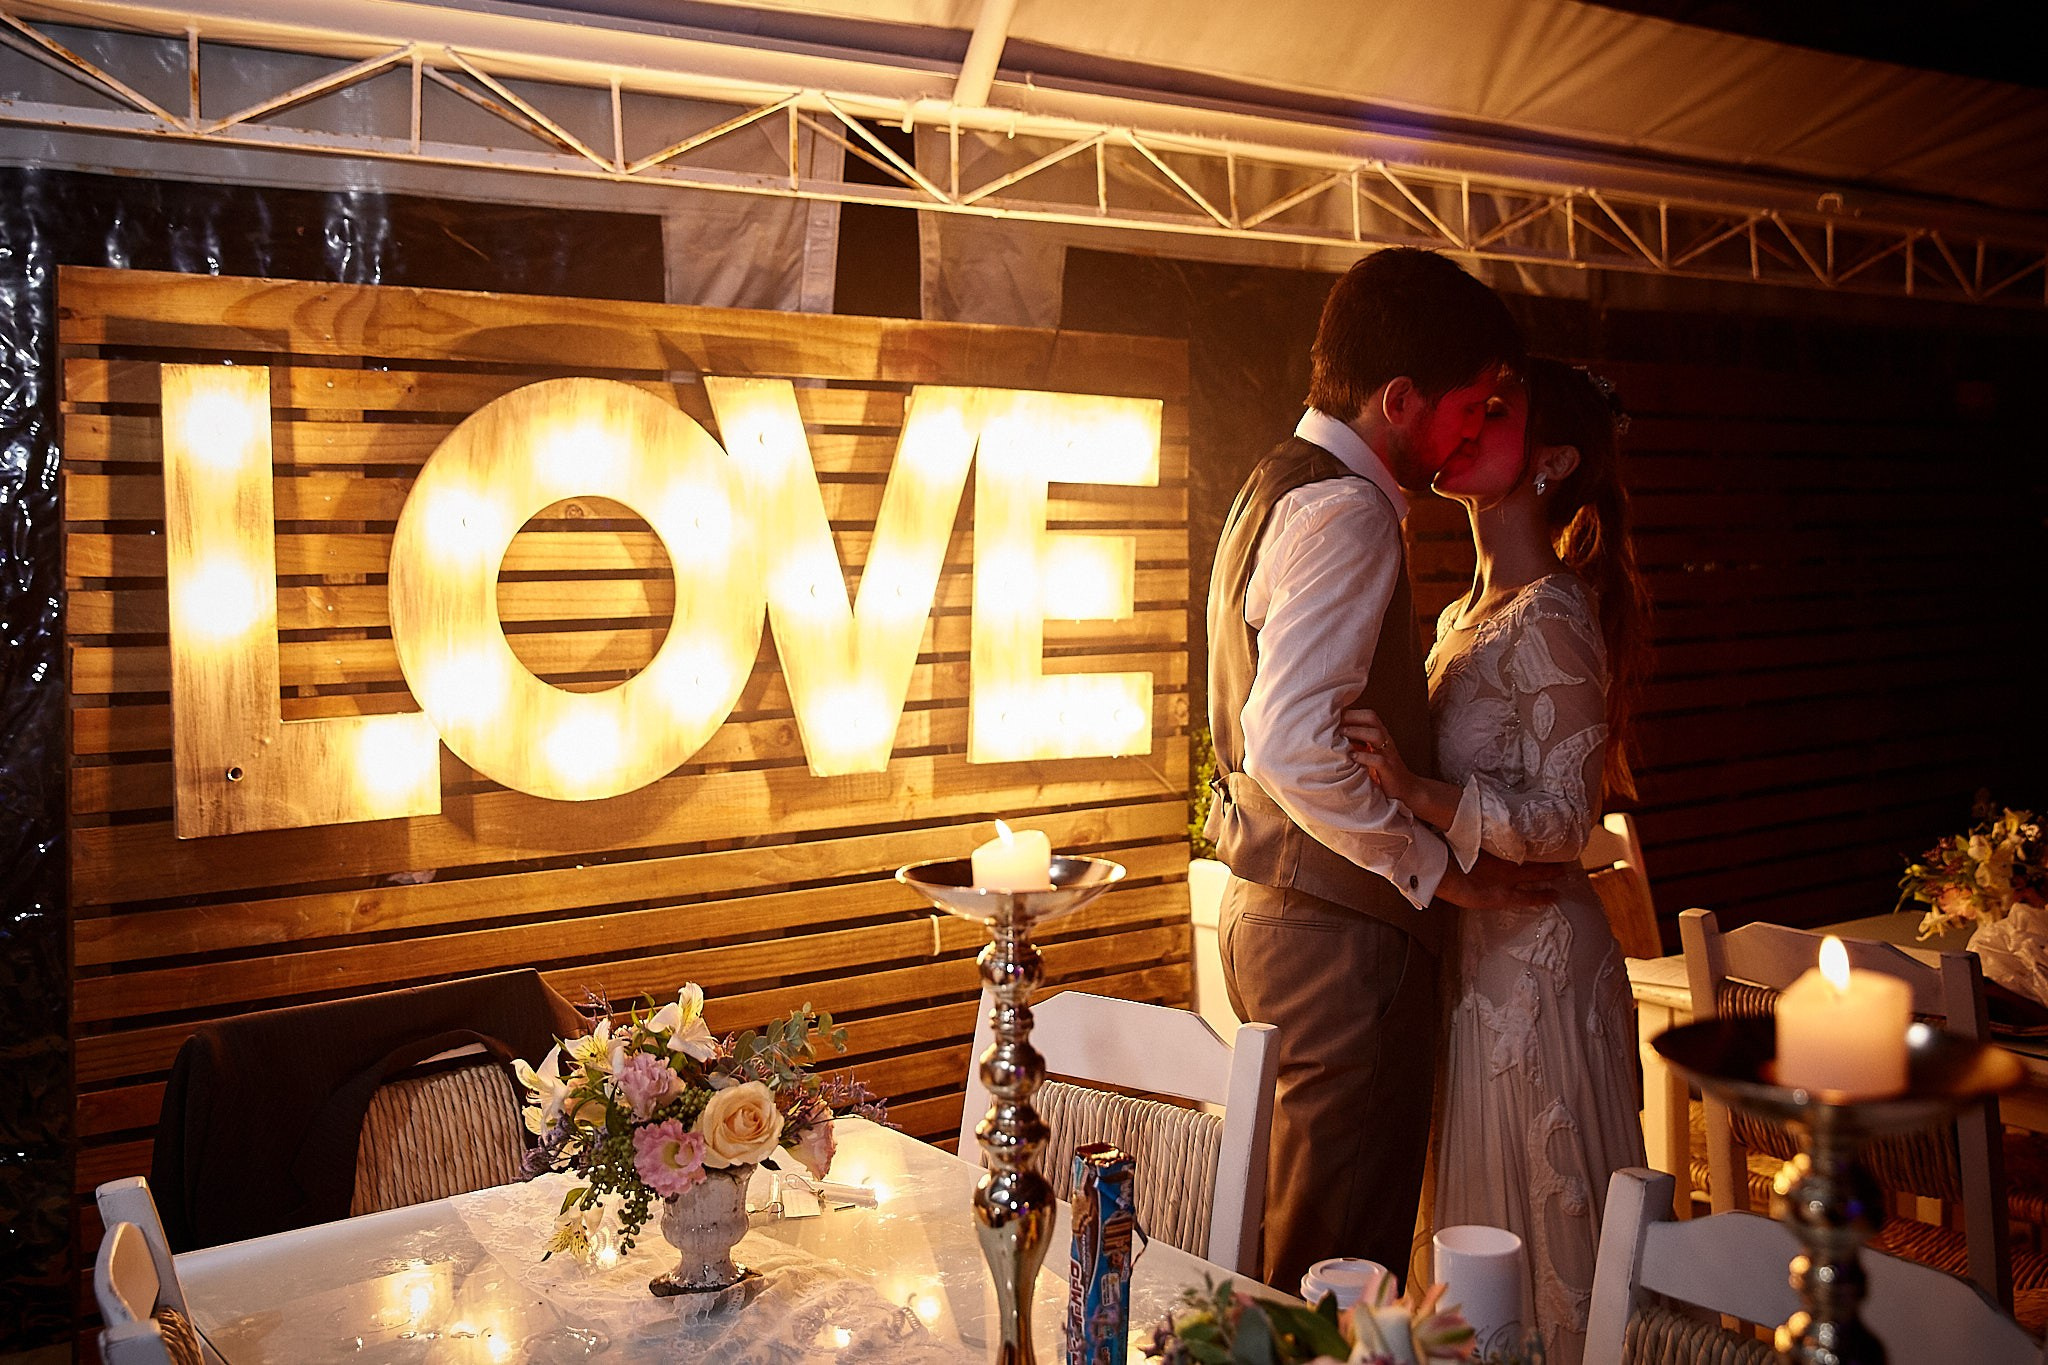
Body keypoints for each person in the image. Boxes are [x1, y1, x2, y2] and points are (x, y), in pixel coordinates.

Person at [1205, 248, 1558, 1294]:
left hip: (1276, 908)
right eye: (1468, 405)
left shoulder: (1274, 482)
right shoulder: (1348, 511)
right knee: (1338, 1263)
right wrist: (1431, 868)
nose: (1468, 431)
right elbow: (1287, 740)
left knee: (1302, 1234)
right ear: (1396, 398)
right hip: (1339, 935)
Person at [1342, 358, 1651, 1364]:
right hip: (1472, 961)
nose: (1464, 424)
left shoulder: (1553, 612)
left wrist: (1415, 790)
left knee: (1546, 1256)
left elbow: (1568, 819)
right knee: (1474, 1258)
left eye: (1496, 413)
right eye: (1465, 401)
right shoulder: (1456, 618)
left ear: (1552, 460)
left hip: (1539, 975)